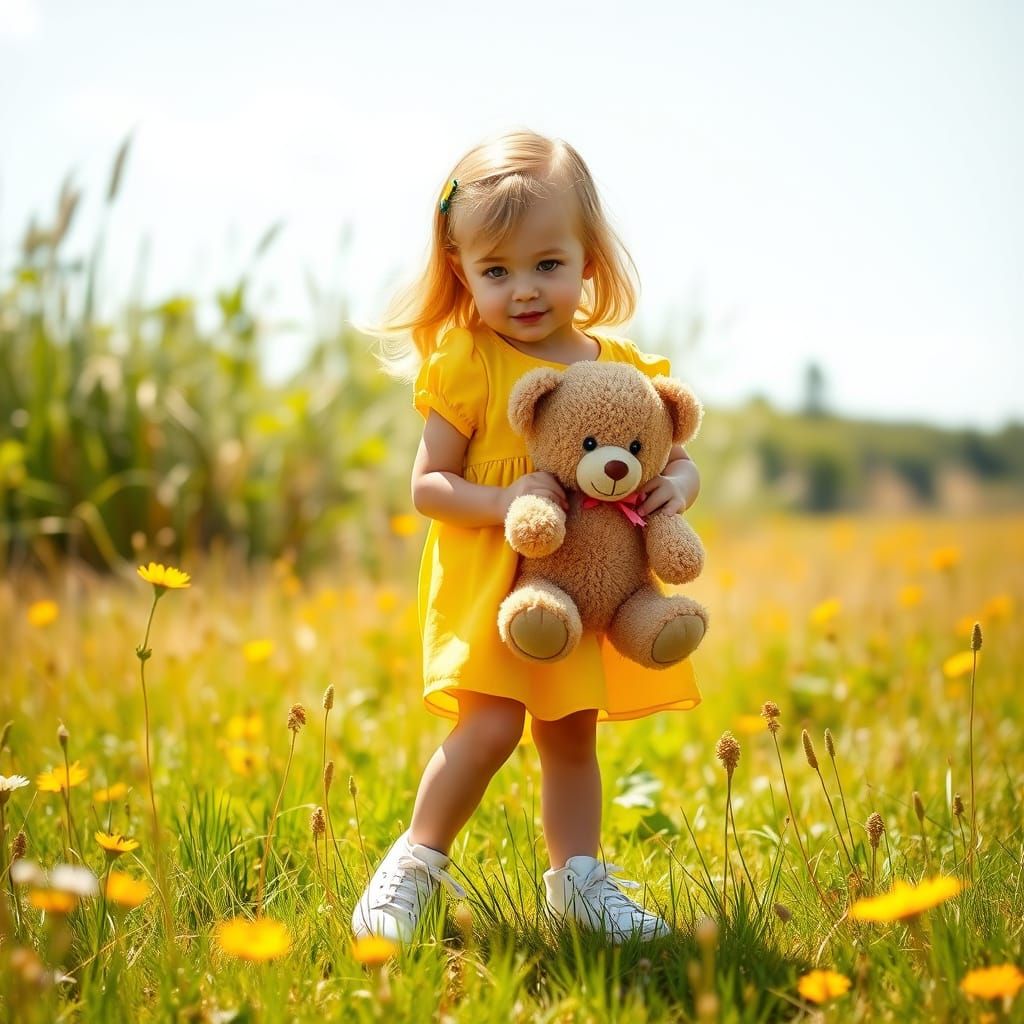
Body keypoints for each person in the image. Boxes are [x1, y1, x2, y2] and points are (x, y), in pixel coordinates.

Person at [353, 128, 705, 945]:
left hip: (589, 585)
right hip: (496, 584)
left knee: (571, 733)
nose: (524, 290)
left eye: (547, 264)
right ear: (461, 272)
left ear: (590, 261)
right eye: (496, 270)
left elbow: (680, 462)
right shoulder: (468, 360)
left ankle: (579, 883)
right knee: (489, 728)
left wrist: (671, 494)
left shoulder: (619, 363)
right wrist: (507, 494)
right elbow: (428, 486)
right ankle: (413, 865)